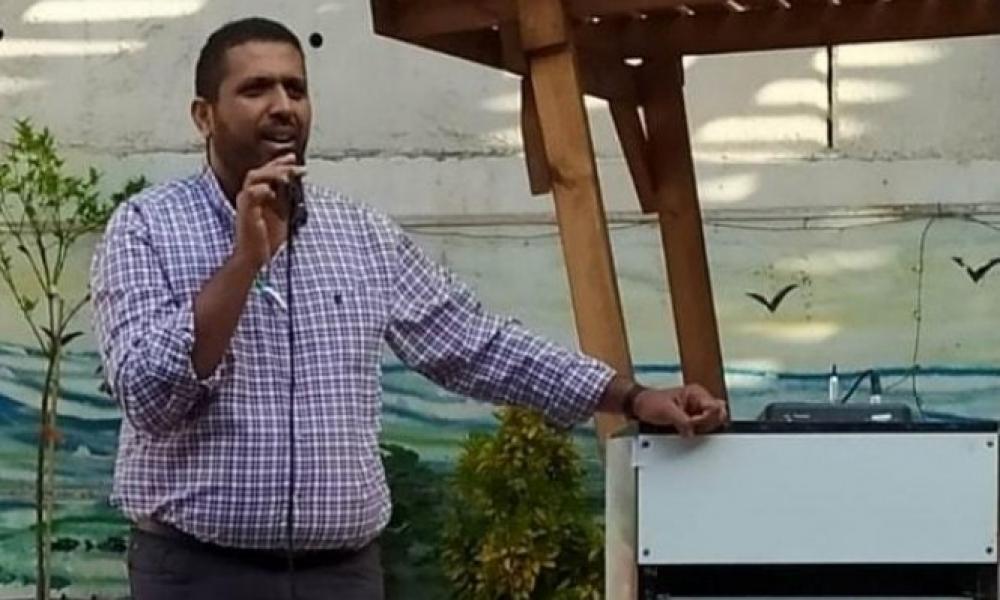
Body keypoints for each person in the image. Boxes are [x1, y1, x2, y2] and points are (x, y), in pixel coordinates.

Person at [89, 16, 728, 600]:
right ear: (204, 115)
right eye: (256, 89)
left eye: (296, 88)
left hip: (343, 577)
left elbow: (475, 343)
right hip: (199, 574)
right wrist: (243, 264)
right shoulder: (145, 227)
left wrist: (631, 397)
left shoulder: (361, 234)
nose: (283, 106)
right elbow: (148, 396)